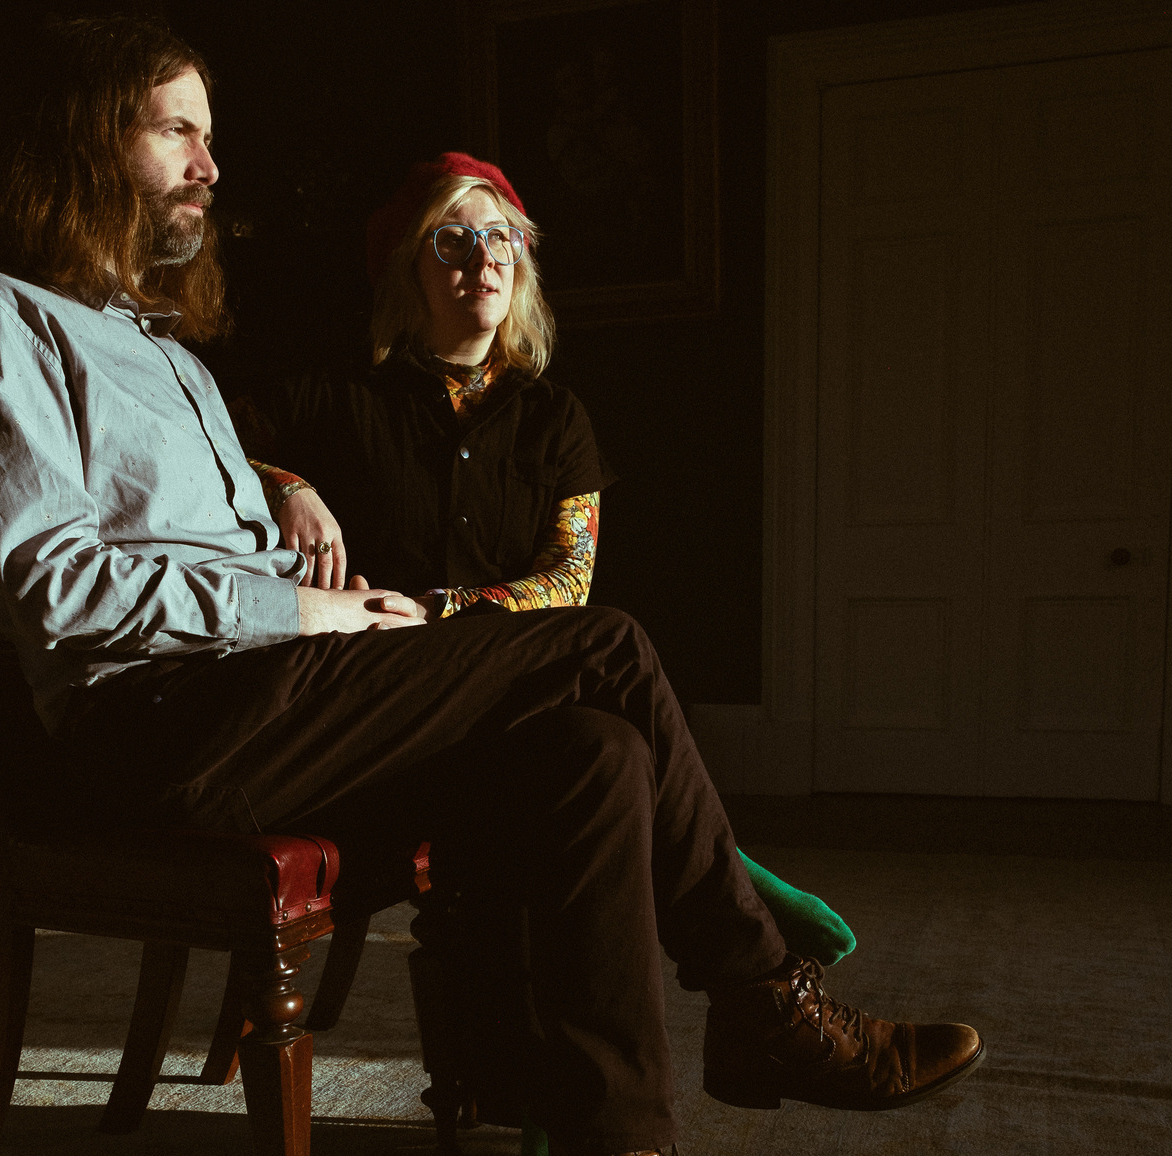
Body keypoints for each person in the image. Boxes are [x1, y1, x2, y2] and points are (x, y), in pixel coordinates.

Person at [0, 15, 984, 1156]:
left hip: (264, 701)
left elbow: (220, 556)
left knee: (594, 754)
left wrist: (333, 582)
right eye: (179, 131)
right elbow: (55, 586)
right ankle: (766, 1002)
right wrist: (306, 614)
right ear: (91, 143)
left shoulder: (170, 358)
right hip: (152, 732)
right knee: (604, 645)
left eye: (210, 136)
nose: (210, 164)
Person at [233, 151, 856, 975]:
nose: (484, 258)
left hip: (507, 687)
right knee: (613, 650)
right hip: (384, 696)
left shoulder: (556, 418)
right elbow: (200, 445)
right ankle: (738, 903)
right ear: (409, 265)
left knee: (611, 744)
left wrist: (439, 607)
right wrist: (287, 485)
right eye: (453, 240)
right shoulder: (335, 395)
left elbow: (568, 581)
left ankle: (724, 982)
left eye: (502, 238)